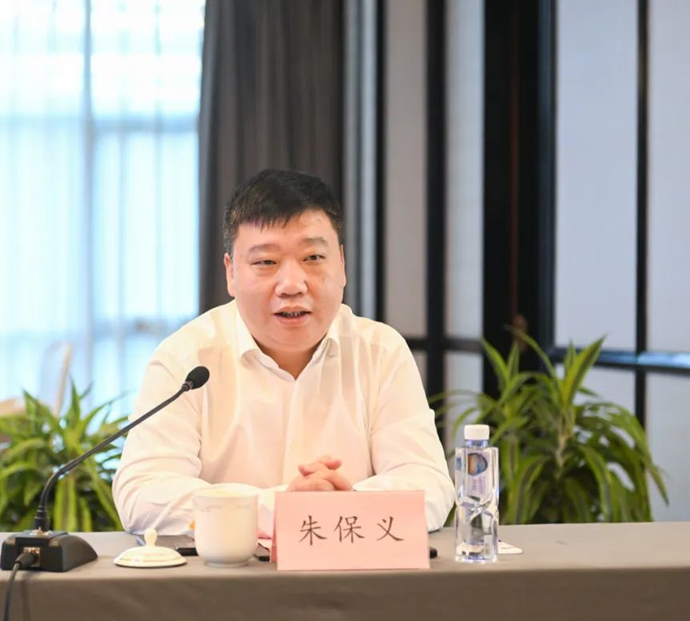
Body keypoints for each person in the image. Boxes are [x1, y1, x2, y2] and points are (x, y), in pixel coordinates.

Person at [112, 169, 454, 536]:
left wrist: (347, 505)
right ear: (230, 273)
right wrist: (277, 509)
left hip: (352, 569)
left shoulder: (381, 352)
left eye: (313, 257)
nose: (292, 285)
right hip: (227, 572)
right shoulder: (185, 359)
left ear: (341, 265)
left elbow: (429, 484)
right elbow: (142, 495)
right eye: (266, 262)